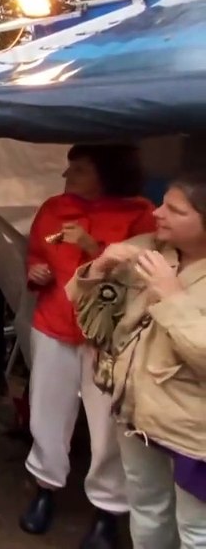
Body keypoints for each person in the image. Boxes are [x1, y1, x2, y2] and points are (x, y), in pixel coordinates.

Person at [19, 145, 156, 546]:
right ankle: (45, 486)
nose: (67, 177)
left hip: (108, 336)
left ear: (105, 172)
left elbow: (143, 278)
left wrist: (93, 246)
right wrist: (36, 271)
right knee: (47, 410)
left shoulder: (139, 213)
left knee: (108, 424)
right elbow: (35, 253)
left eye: (78, 170)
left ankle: (108, 509)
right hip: (53, 324)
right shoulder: (53, 207)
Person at [65, 173, 206, 548]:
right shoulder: (149, 248)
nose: (157, 213)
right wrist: (99, 268)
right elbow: (91, 314)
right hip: (136, 411)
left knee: (197, 530)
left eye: (175, 210)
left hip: (194, 431)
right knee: (147, 509)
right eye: (163, 203)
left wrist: (172, 296)